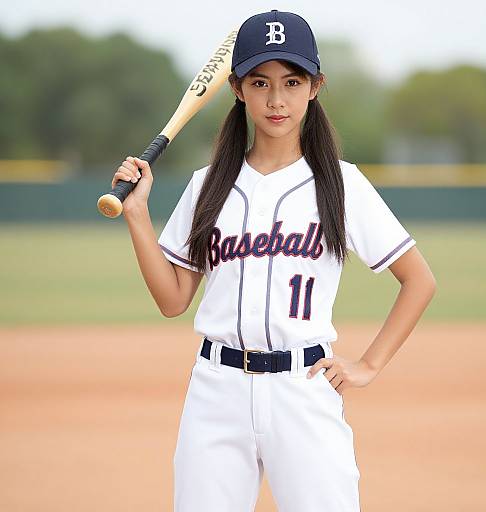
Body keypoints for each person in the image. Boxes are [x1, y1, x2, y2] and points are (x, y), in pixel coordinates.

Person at [111, 9, 436, 512]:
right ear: (238, 89)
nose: (276, 98)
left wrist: (369, 364)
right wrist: (138, 216)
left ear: (315, 86)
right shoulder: (207, 186)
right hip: (216, 391)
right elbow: (173, 300)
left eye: (292, 81)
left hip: (303, 390)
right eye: (260, 82)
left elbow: (418, 280)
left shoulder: (342, 183)